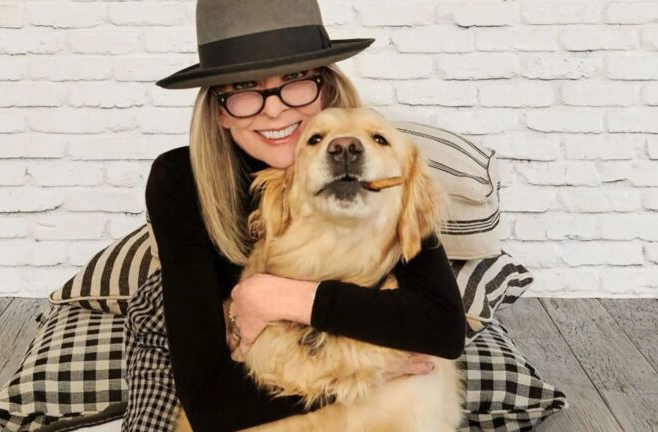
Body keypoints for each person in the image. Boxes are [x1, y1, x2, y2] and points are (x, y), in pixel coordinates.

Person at [121, 0, 467, 431]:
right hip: (198, 328)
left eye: (296, 81)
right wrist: (362, 378)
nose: (275, 109)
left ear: (324, 88)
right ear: (220, 111)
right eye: (245, 88)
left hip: (321, 321)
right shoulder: (179, 180)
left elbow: (443, 327)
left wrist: (272, 296)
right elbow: (211, 404)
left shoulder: (377, 171)